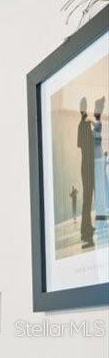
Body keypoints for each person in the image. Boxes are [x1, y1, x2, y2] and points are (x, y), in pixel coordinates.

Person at [79, 97, 97, 248]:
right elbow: (88, 145)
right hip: (87, 166)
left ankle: (86, 228)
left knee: (87, 199)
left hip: (86, 166)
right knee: (87, 199)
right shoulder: (84, 125)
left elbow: (82, 146)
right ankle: (85, 231)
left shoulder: (83, 125)